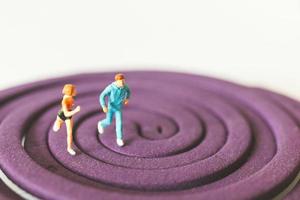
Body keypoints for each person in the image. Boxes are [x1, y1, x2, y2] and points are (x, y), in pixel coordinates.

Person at [98, 73, 131, 147]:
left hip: (118, 108)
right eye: (120, 82)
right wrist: (104, 106)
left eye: (123, 81)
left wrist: (127, 98)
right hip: (110, 108)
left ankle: (119, 138)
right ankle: (101, 124)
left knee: (119, 123)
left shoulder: (125, 86)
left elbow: (128, 92)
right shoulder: (111, 87)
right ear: (116, 81)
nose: (122, 83)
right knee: (108, 121)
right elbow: (102, 96)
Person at [52, 84, 81, 155]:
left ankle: (69, 148)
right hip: (62, 115)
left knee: (70, 133)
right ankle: (57, 122)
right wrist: (76, 110)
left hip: (69, 116)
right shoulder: (64, 101)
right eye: (74, 90)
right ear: (70, 91)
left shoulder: (69, 97)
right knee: (57, 126)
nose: (76, 91)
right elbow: (66, 114)